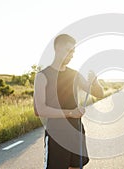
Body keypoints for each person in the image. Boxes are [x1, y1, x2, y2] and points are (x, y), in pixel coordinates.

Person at [34, 34, 104, 169]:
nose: (72, 54)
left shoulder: (74, 74)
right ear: (57, 48)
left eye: (73, 51)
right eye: (69, 50)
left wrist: (95, 81)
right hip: (56, 135)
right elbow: (40, 110)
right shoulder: (43, 76)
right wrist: (71, 113)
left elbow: (99, 93)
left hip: (76, 132)